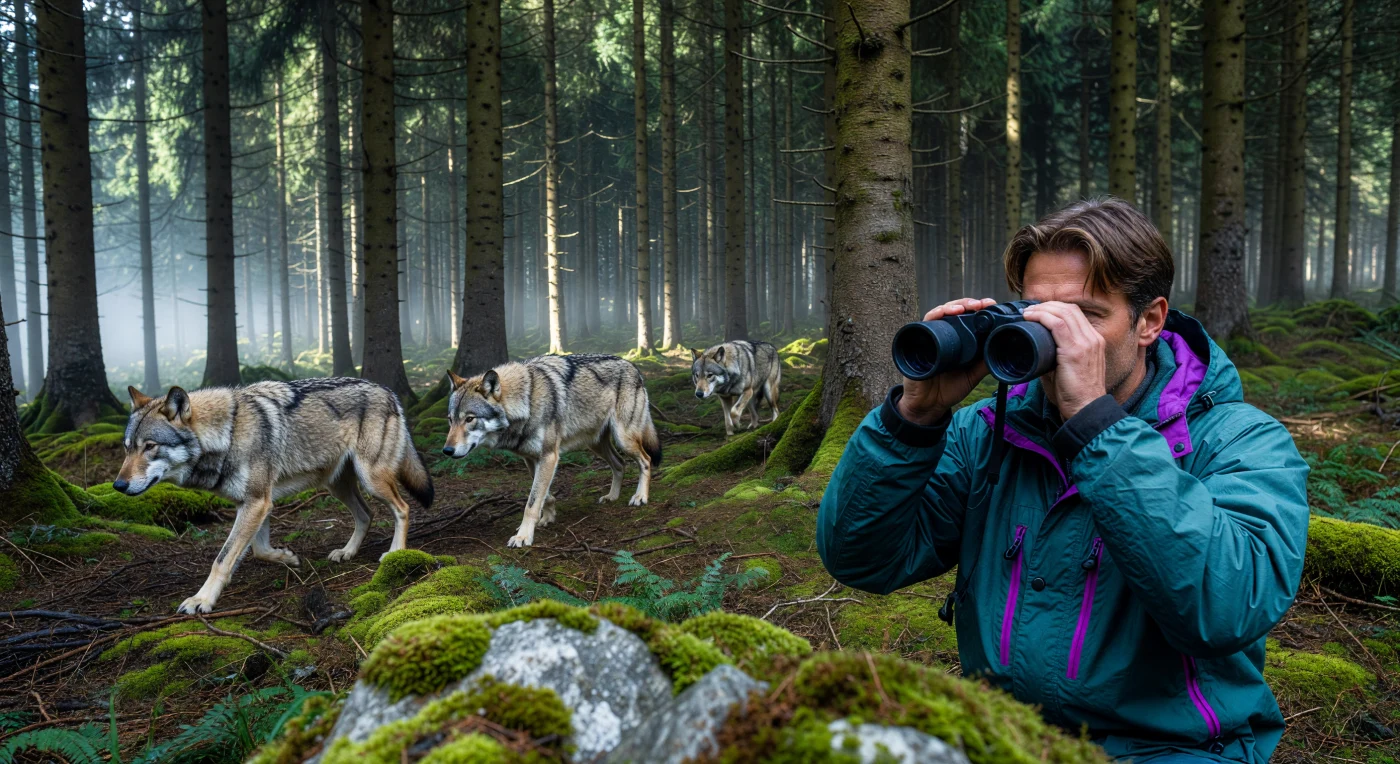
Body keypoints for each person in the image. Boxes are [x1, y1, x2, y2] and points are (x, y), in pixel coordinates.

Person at [817, 198, 1309, 764]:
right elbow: (861, 559)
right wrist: (913, 419)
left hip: (1171, 749)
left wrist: (1097, 428)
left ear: (1149, 320)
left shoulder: (1239, 440)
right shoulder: (988, 434)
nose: (1056, 339)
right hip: (1001, 738)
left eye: (1085, 317)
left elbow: (1227, 607)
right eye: (1038, 313)